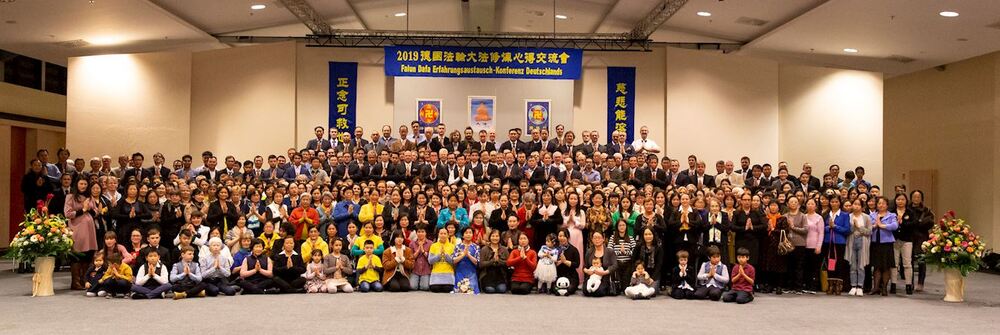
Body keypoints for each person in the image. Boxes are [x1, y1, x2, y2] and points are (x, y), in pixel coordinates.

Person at [64, 178, 99, 290]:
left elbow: (95, 211)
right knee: (77, 254)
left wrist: (90, 209)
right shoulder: (70, 197)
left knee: (88, 254)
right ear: (77, 184)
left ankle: (85, 280)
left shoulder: (89, 197)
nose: (83, 186)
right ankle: (75, 282)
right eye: (81, 183)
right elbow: (68, 213)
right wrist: (83, 210)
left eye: (85, 183)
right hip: (77, 228)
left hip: (89, 229)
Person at [869, 196, 899, 296]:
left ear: (887, 205)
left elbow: (895, 226)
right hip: (875, 243)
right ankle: (876, 287)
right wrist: (874, 226)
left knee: (886, 267)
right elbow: (868, 227)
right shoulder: (872, 215)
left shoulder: (891, 215)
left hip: (886, 244)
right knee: (876, 267)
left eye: (883, 203)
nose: (881, 205)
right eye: (879, 203)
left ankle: (885, 288)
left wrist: (882, 226)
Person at [845, 198, 872, 296]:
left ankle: (860, 286)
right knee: (853, 265)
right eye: (854, 204)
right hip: (851, 241)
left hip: (862, 242)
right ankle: (853, 286)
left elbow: (869, 232)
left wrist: (859, 227)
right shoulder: (848, 216)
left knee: (861, 265)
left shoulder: (866, 217)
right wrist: (853, 226)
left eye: (858, 204)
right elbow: (847, 231)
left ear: (862, 207)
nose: (856, 206)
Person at [891, 193, 916, 295]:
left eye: (902, 199)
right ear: (895, 200)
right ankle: (893, 285)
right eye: (898, 199)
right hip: (894, 240)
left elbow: (914, 224)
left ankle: (908, 285)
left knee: (907, 264)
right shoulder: (891, 212)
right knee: (894, 264)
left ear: (906, 201)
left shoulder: (910, 212)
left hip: (907, 240)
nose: (900, 201)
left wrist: (902, 222)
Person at [583, 231, 617, 297]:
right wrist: (587, 271)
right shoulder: (589, 251)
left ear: (603, 239)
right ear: (592, 240)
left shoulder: (610, 251)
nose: (597, 240)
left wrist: (604, 272)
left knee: (599, 292)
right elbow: (584, 266)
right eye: (595, 238)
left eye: (599, 238)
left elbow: (615, 265)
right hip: (591, 277)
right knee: (586, 291)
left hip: (604, 278)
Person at [479, 229, 509, 294]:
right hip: (487, 274)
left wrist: (499, 261)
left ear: (500, 237)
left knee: (501, 290)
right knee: (490, 290)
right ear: (490, 237)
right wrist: (492, 261)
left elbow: (508, 263)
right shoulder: (484, 249)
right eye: (493, 236)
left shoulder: (504, 249)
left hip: (500, 275)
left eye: (497, 236)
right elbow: (481, 264)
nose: (495, 238)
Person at [427, 227, 456, 293]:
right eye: (441, 233)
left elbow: (454, 262)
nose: (443, 235)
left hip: (448, 273)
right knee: (435, 289)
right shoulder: (433, 246)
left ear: (448, 235)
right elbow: (430, 261)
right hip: (436, 273)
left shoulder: (452, 246)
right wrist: (439, 255)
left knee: (447, 289)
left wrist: (445, 255)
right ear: (438, 235)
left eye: (445, 233)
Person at [452, 227, 480, 294]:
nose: (468, 234)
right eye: (466, 233)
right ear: (463, 235)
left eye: (470, 233)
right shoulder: (458, 246)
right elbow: (453, 261)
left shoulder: (476, 247)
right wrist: (463, 255)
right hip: (460, 272)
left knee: (472, 291)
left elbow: (477, 262)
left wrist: (468, 255)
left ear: (473, 234)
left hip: (471, 273)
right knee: (459, 291)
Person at [553, 228, 581, 296]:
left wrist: (564, 261)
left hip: (571, 275)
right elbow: (550, 263)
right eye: (560, 236)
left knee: (570, 289)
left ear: (568, 237)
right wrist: (556, 263)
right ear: (557, 237)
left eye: (564, 236)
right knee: (554, 288)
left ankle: (566, 290)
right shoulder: (554, 249)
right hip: (558, 274)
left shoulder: (574, 249)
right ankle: (559, 290)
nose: (562, 238)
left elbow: (577, 264)